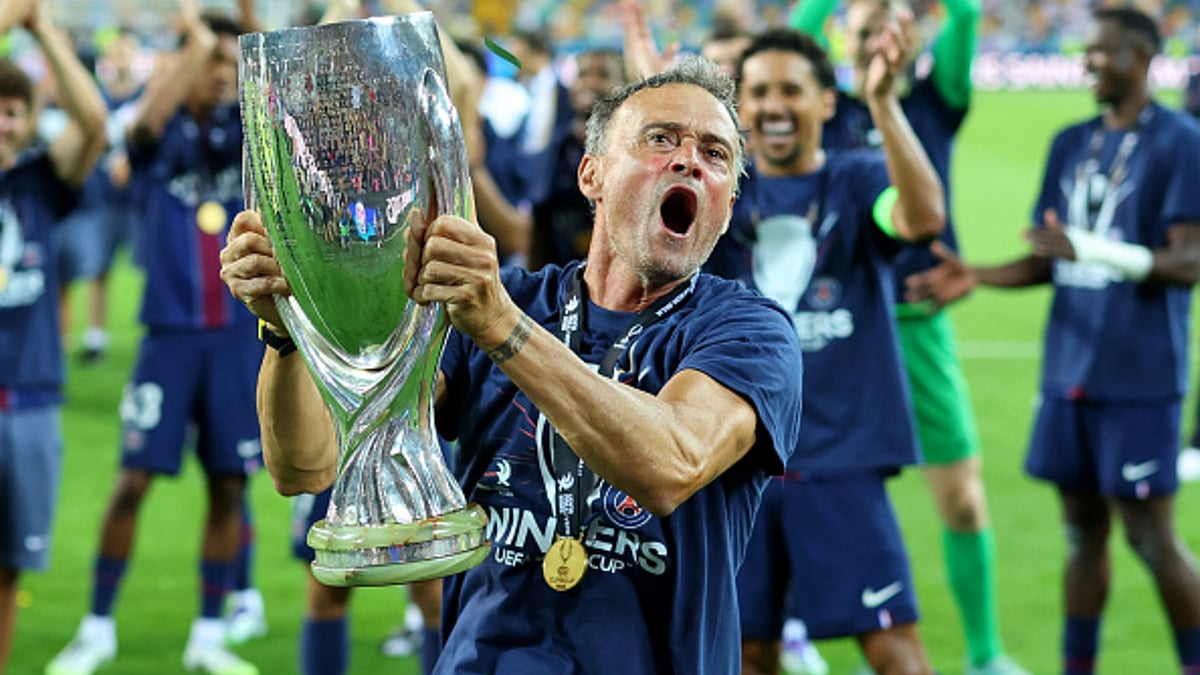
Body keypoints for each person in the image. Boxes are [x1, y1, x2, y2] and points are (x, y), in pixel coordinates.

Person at [220, 55, 804, 674]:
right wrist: (287, 330)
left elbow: (669, 462)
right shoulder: (514, 303)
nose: (689, 160)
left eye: (715, 154)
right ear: (592, 175)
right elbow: (307, 465)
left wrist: (500, 324)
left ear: (728, 204)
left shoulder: (749, 333)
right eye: (661, 139)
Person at [906, 8, 1200, 674]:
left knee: (1151, 538)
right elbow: (1047, 259)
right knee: (1080, 534)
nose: (1090, 61)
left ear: (1144, 58)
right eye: (1086, 51)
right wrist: (971, 274)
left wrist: (1091, 247)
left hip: (1141, 372)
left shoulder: (1182, 141)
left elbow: (1188, 261)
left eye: (1105, 52)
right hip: (1068, 369)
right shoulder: (1071, 141)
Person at [789, 1, 1032, 673]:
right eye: (864, 28)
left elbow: (967, 14)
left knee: (960, 494)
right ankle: (806, 635)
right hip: (830, 330)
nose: (876, 38)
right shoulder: (819, 106)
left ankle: (985, 653)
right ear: (841, 36)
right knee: (815, 491)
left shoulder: (934, 99)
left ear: (914, 36)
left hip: (918, 324)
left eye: (891, 26)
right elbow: (795, 37)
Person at [712, 27, 944, 675]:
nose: (773, 105)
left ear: (824, 103)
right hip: (736, 463)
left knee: (895, 649)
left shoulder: (860, 177)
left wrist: (886, 104)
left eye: (791, 89)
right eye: (757, 92)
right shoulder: (722, 188)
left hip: (841, 458)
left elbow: (922, 219)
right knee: (745, 653)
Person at [46, 6, 262, 675]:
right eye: (212, 64)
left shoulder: (244, 135)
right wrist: (192, 48)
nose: (223, 75)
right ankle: (98, 624)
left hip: (234, 337)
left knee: (230, 485)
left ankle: (208, 632)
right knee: (131, 481)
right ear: (182, 68)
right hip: (167, 334)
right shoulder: (159, 135)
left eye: (230, 64)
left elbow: (265, 84)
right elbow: (137, 123)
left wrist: (233, 43)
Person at [0, 0, 107, 670]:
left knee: (10, 568)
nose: (3, 121)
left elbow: (95, 124)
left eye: (13, 109)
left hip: (32, 400)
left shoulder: (41, 182)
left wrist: (40, 26)